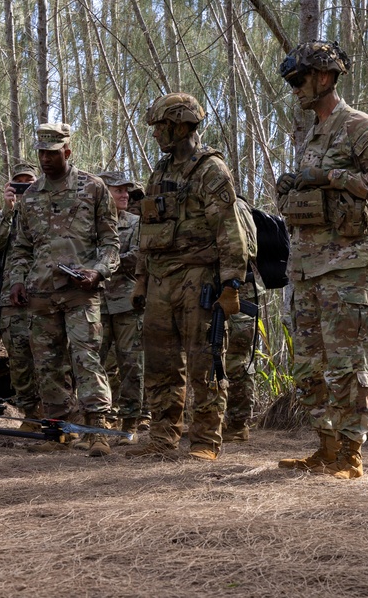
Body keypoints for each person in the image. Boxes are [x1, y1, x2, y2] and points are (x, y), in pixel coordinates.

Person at [275, 41, 368, 478]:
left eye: (300, 80)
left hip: (348, 263)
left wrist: (331, 176)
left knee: (346, 360)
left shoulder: (357, 126)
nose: (295, 89)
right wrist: (292, 187)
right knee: (309, 361)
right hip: (308, 264)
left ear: (324, 78)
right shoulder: (313, 133)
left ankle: (351, 454)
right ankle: (325, 448)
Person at [127, 93, 248, 462]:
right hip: (162, 280)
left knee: (204, 359)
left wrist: (231, 283)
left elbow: (230, 231)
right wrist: (141, 281)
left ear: (181, 126)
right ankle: (163, 437)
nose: (155, 134)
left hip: (200, 278)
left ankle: (205, 440)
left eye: (160, 127)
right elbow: (148, 233)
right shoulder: (160, 173)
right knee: (161, 362)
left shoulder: (210, 170)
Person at [9, 123, 120, 456]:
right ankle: (59, 431)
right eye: (41, 153)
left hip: (80, 292)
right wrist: (17, 279)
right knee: (48, 363)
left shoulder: (93, 188)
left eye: (52, 153)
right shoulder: (30, 196)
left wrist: (98, 272)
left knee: (86, 358)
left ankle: (97, 430)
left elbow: (111, 243)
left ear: (67, 153)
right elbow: (21, 247)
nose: (45, 159)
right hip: (41, 293)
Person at [0, 162, 42, 422]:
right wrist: (7, 210)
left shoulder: (46, 211)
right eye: (18, 183)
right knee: (19, 360)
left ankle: (56, 415)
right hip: (13, 298)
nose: (23, 188)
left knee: (50, 358)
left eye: (28, 183)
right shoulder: (9, 215)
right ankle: (30, 416)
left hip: (43, 293)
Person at [96, 170, 146, 445]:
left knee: (131, 365)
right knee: (93, 365)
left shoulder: (137, 223)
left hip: (127, 302)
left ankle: (129, 424)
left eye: (127, 190)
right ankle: (96, 422)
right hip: (95, 303)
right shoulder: (89, 224)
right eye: (119, 190)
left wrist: (104, 263)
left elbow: (139, 255)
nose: (126, 194)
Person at [221, 196, 262, 443]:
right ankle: (219, 419)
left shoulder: (235, 205)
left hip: (240, 290)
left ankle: (238, 423)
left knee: (237, 358)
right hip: (217, 289)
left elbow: (249, 249)